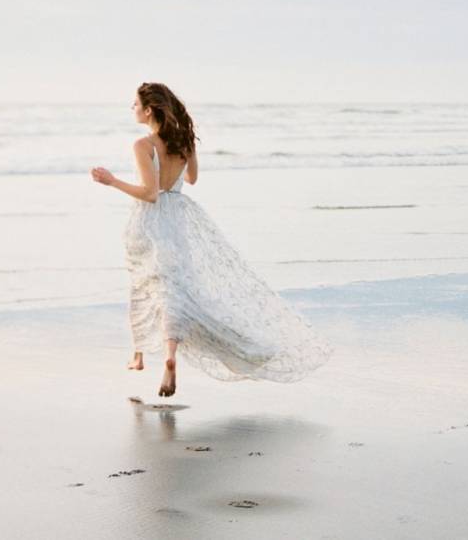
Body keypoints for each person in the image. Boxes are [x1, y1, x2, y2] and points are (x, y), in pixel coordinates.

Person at [90, 82, 334, 398]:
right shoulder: (184, 140)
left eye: (135, 104)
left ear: (149, 109)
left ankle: (139, 356)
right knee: (175, 285)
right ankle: (167, 354)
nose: (132, 109)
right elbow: (190, 179)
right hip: (178, 216)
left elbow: (150, 194)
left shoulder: (143, 145)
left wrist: (112, 181)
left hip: (149, 221)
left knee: (147, 283)